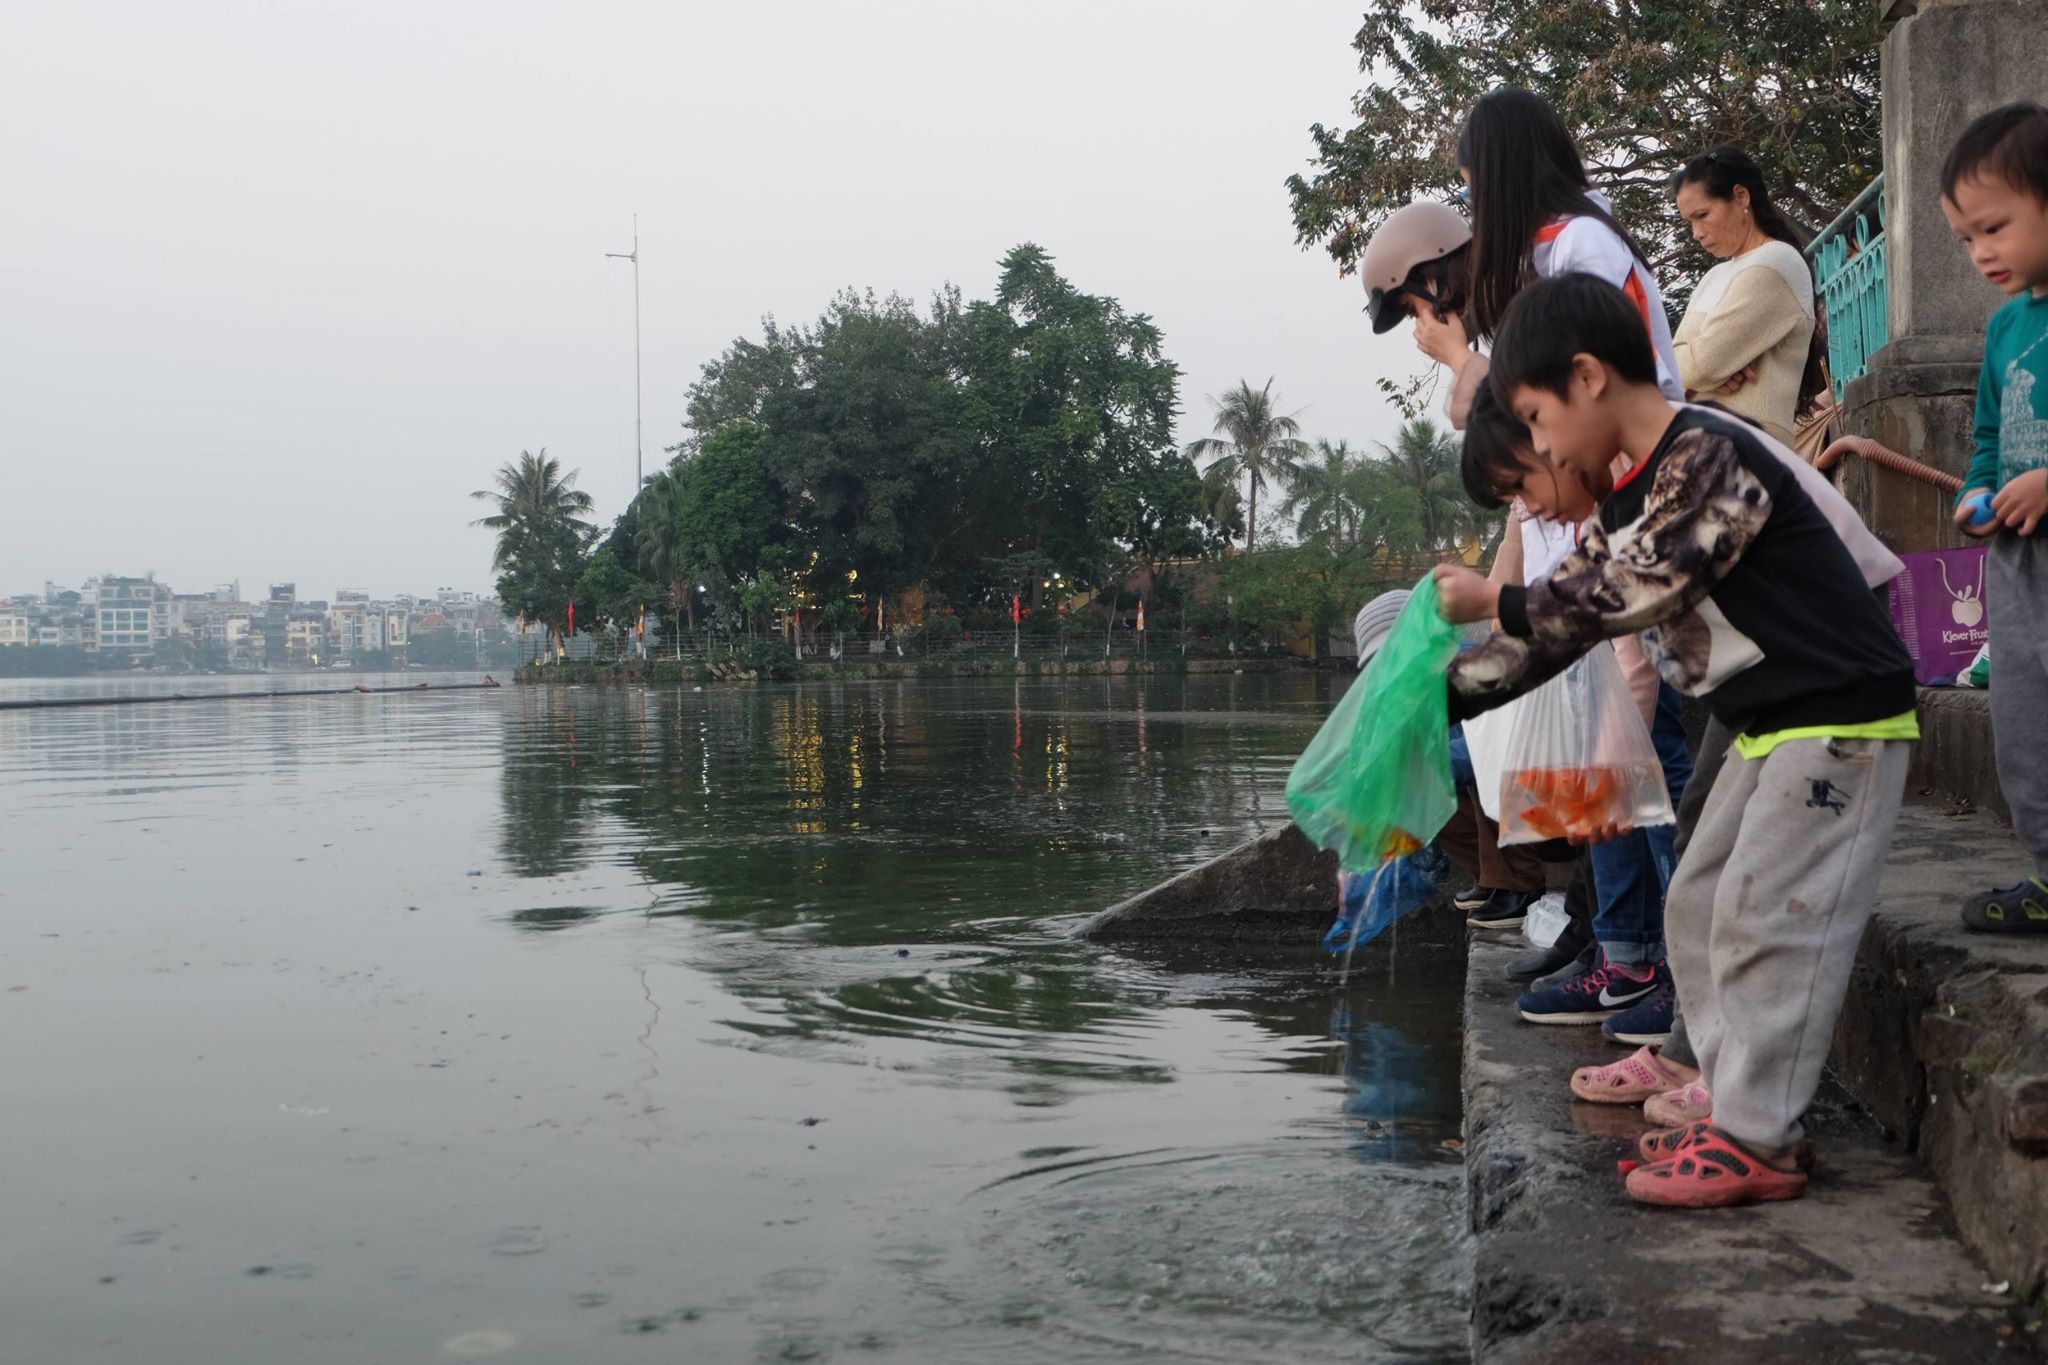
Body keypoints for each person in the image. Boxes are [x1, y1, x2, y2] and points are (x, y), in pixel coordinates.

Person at [1435, 272, 1919, 1209]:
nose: (1538, 449)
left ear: (1586, 378)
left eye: (1536, 422)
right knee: (1697, 903)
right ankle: (1731, 1095)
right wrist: (1443, 697)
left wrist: (1494, 599)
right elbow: (1563, 626)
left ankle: (1757, 1135)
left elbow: (1641, 589)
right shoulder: (1627, 497)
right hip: (1769, 723)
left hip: (1840, 718)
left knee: (1761, 914)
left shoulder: (1706, 452)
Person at [1459, 386, 1692, 1041]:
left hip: (1793, 698)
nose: (1528, 510)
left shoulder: (1646, 486)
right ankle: (1631, 959)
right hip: (1604, 655)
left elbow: (1633, 644)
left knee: (1651, 801)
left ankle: (1681, 982)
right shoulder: (1589, 504)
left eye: (1525, 489)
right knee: (1615, 795)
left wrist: (1607, 765)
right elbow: (1553, 602)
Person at [1944, 102, 2048, 932]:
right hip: (2018, 561)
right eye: (1966, 237)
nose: (1981, 252)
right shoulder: (2006, 326)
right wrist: (1977, 492)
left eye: (1995, 227)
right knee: (2022, 725)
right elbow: (1987, 437)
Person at [1669, 147, 1827, 444]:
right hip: (1697, 447)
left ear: (1741, 197)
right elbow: (1682, 362)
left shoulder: (1776, 261)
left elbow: (1705, 362)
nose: (1696, 232)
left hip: (1751, 453)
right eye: (1689, 221)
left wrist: (1699, 372)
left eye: (1702, 215)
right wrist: (1699, 372)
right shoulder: (1712, 277)